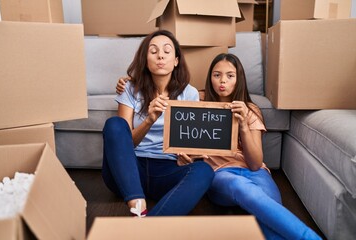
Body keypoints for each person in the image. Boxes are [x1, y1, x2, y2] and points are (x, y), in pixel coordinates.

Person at [177, 53, 322, 240]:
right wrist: (129, 82)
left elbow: (254, 164)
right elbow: (169, 95)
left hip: (255, 172)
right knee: (242, 187)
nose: (223, 81)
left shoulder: (250, 110)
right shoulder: (198, 100)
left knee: (269, 212)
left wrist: (243, 125)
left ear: (239, 79)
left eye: (230, 76)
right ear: (209, 77)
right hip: (220, 173)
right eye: (216, 75)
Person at [102, 30, 214, 217]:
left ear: (176, 60)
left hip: (167, 171)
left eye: (167, 51)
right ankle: (137, 204)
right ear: (145, 60)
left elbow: (189, 142)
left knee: (204, 171)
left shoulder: (190, 94)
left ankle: (151, 227)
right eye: (153, 51)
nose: (160, 55)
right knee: (115, 124)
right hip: (129, 169)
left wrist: (189, 154)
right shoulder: (129, 88)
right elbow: (124, 143)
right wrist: (149, 120)